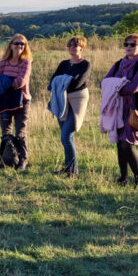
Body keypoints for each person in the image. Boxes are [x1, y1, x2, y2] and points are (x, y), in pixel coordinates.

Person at [102, 33, 138, 186]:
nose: (129, 47)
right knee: (119, 143)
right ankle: (123, 178)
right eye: (126, 44)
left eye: (133, 44)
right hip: (117, 108)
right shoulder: (118, 64)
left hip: (134, 110)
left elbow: (134, 86)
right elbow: (104, 82)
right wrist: (119, 85)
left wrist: (117, 87)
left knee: (126, 143)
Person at [48, 36, 91, 176]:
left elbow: (77, 84)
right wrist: (63, 82)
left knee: (66, 135)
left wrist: (61, 82)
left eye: (75, 45)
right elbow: (52, 82)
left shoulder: (85, 64)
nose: (72, 47)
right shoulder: (63, 64)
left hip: (77, 100)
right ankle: (69, 168)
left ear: (82, 48)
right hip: (62, 100)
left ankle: (74, 171)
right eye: (69, 45)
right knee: (67, 137)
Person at [0, 34, 32, 171]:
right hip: (4, 101)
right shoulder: (4, 61)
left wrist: (5, 83)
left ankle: (22, 161)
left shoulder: (26, 62)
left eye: (22, 44)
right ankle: (5, 159)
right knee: (6, 131)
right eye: (16, 43)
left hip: (22, 101)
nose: (19, 46)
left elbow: (21, 81)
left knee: (20, 132)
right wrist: (6, 82)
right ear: (10, 45)